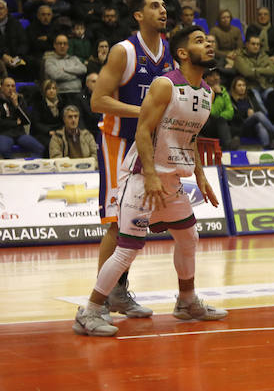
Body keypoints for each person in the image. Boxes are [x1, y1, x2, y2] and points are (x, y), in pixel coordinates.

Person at [72, 26, 226, 337]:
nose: (207, 44)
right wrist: (152, 175)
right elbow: (143, 130)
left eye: (208, 40)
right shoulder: (165, 85)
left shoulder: (207, 93)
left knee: (188, 237)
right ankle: (89, 310)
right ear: (182, 53)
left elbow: (190, 138)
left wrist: (200, 174)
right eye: (199, 41)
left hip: (172, 180)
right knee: (129, 247)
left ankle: (186, 302)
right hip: (143, 177)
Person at [91, 0, 174, 320]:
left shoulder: (167, 52)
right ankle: (101, 299)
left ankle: (120, 292)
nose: (163, 10)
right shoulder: (123, 51)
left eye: (165, 6)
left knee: (135, 224)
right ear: (139, 16)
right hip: (118, 143)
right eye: (154, 6)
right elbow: (98, 101)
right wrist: (140, 110)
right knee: (116, 224)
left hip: (146, 145)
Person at [229, 76, 274, 149]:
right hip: (241, 127)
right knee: (258, 115)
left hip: (253, 125)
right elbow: (232, 117)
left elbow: (259, 109)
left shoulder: (250, 96)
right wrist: (246, 113)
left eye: (244, 85)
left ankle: (266, 147)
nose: (242, 87)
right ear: (234, 87)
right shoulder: (230, 100)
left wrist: (253, 114)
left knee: (259, 125)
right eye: (239, 85)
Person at [0, 76, 44, 158]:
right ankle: (13, 168)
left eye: (13, 86)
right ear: (1, 87)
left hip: (19, 133)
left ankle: (31, 167)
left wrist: (16, 105)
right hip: (4, 133)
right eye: (8, 86)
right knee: (4, 149)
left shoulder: (20, 99)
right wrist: (15, 122)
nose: (10, 88)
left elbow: (27, 120)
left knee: (39, 148)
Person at [44, 33, 88, 107]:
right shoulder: (49, 60)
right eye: (59, 43)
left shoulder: (74, 59)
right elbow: (56, 76)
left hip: (78, 93)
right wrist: (76, 75)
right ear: (54, 45)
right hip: (61, 94)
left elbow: (83, 69)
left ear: (68, 46)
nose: (62, 46)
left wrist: (65, 69)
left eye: (65, 44)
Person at [199, 68, 236, 151]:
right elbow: (212, 112)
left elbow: (230, 111)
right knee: (221, 121)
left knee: (227, 124)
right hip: (205, 125)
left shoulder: (223, 90)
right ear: (205, 78)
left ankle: (228, 146)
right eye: (212, 75)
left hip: (219, 124)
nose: (216, 78)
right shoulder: (202, 91)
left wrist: (220, 117)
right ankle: (228, 148)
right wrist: (218, 95)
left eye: (217, 75)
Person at [0, 0, 31, 80]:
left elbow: (24, 43)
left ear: (6, 10)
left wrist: (16, 58)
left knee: (32, 62)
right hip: (1, 59)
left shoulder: (16, 24)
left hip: (17, 58)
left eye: (1, 8)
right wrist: (3, 56)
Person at [30, 79, 64, 151]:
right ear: (44, 91)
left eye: (53, 88)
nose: (51, 91)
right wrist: (48, 131)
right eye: (49, 89)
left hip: (58, 130)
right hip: (43, 132)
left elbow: (64, 120)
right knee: (51, 143)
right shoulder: (38, 104)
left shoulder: (62, 103)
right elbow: (36, 123)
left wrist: (61, 130)